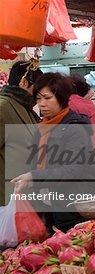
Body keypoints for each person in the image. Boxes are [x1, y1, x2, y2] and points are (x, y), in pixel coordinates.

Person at [12, 73, 95, 231]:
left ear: (62, 98)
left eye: (47, 98)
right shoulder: (44, 126)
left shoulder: (75, 128)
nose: (42, 104)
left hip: (74, 207)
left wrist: (34, 177)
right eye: (38, 98)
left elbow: (74, 169)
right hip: (51, 205)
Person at [0, 60, 43, 206]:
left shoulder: (25, 107)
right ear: (24, 82)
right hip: (8, 198)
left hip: (24, 195)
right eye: (38, 87)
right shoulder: (4, 107)